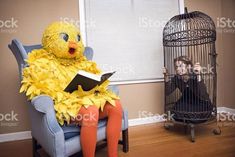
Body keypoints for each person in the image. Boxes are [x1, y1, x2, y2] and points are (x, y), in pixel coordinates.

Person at [163, 56, 214, 122]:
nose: (178, 69)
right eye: (176, 67)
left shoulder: (195, 76)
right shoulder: (177, 78)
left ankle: (189, 119)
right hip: (187, 101)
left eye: (181, 66)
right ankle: (187, 119)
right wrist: (166, 76)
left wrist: (199, 75)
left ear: (189, 66)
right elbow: (167, 92)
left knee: (194, 113)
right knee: (176, 110)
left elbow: (202, 93)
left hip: (201, 101)